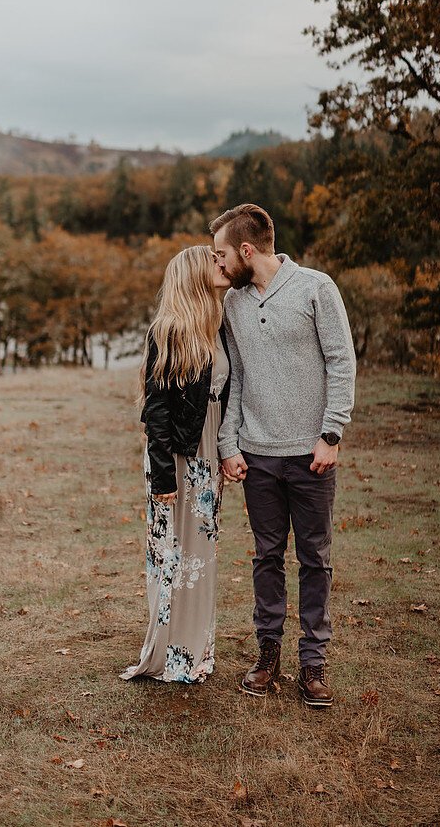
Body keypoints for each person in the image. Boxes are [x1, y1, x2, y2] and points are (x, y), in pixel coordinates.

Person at [211, 203, 356, 707]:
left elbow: (341, 362)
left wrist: (331, 434)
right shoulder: (232, 305)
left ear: (247, 250)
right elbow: (237, 378)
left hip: (311, 456)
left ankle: (313, 665)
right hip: (258, 457)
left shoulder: (317, 287)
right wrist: (229, 444)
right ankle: (267, 654)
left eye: (222, 254)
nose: (219, 265)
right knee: (266, 557)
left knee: (314, 559)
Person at [119, 245, 231, 684]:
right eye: (214, 262)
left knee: (201, 554)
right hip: (177, 457)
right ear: (194, 275)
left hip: (208, 453)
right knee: (172, 554)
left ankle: (194, 651)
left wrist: (227, 449)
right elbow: (157, 409)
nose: (221, 266)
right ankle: (168, 653)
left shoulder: (218, 325)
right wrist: (164, 473)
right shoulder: (168, 330)